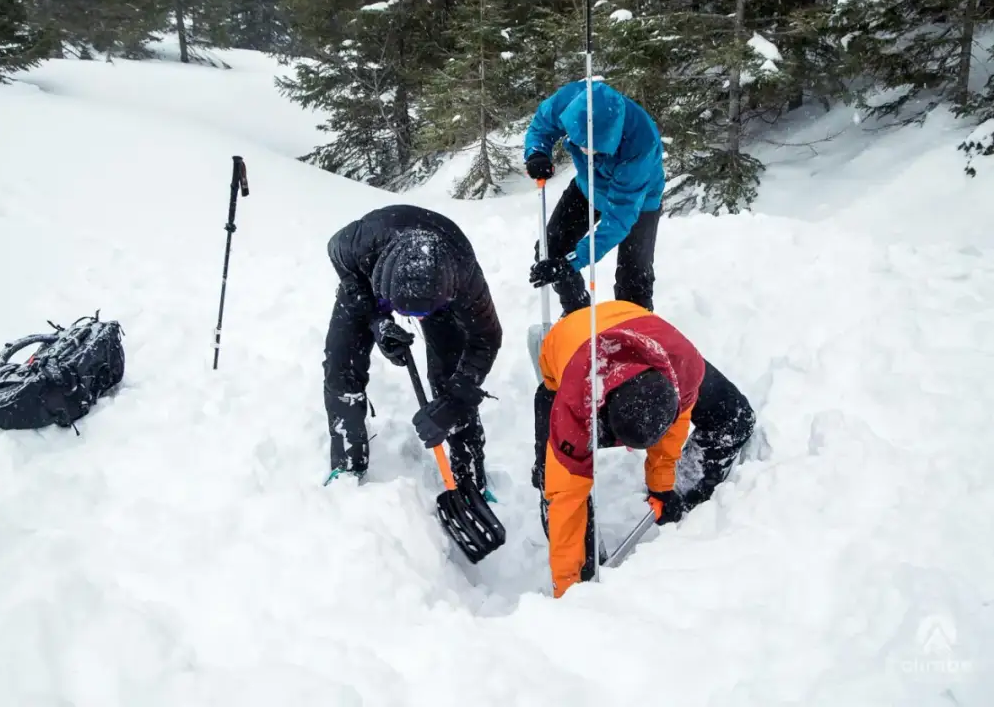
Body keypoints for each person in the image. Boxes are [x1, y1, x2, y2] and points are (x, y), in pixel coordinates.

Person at [533, 294, 756, 598]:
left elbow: (676, 422)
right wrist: (568, 589)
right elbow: (567, 495)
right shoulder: (574, 406)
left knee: (734, 418)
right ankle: (581, 576)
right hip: (567, 352)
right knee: (559, 488)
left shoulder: (682, 365)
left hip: (649, 337)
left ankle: (685, 486)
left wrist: (662, 486)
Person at [322, 204, 503, 494]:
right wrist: (377, 321)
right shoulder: (360, 242)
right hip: (369, 286)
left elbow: (487, 339)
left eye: (421, 316)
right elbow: (336, 254)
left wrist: (455, 400)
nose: (416, 322)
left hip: (438, 290)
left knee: (451, 369)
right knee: (341, 362)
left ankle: (467, 472)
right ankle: (347, 462)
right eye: (408, 314)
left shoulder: (464, 276)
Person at [524, 79, 666, 314]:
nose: (582, 150)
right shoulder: (574, 99)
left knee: (634, 276)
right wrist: (537, 152)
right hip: (587, 187)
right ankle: (578, 315)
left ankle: (635, 333)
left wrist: (572, 263)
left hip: (639, 202)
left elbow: (618, 218)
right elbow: (542, 125)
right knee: (551, 249)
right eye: (578, 142)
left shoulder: (641, 142)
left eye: (592, 147)